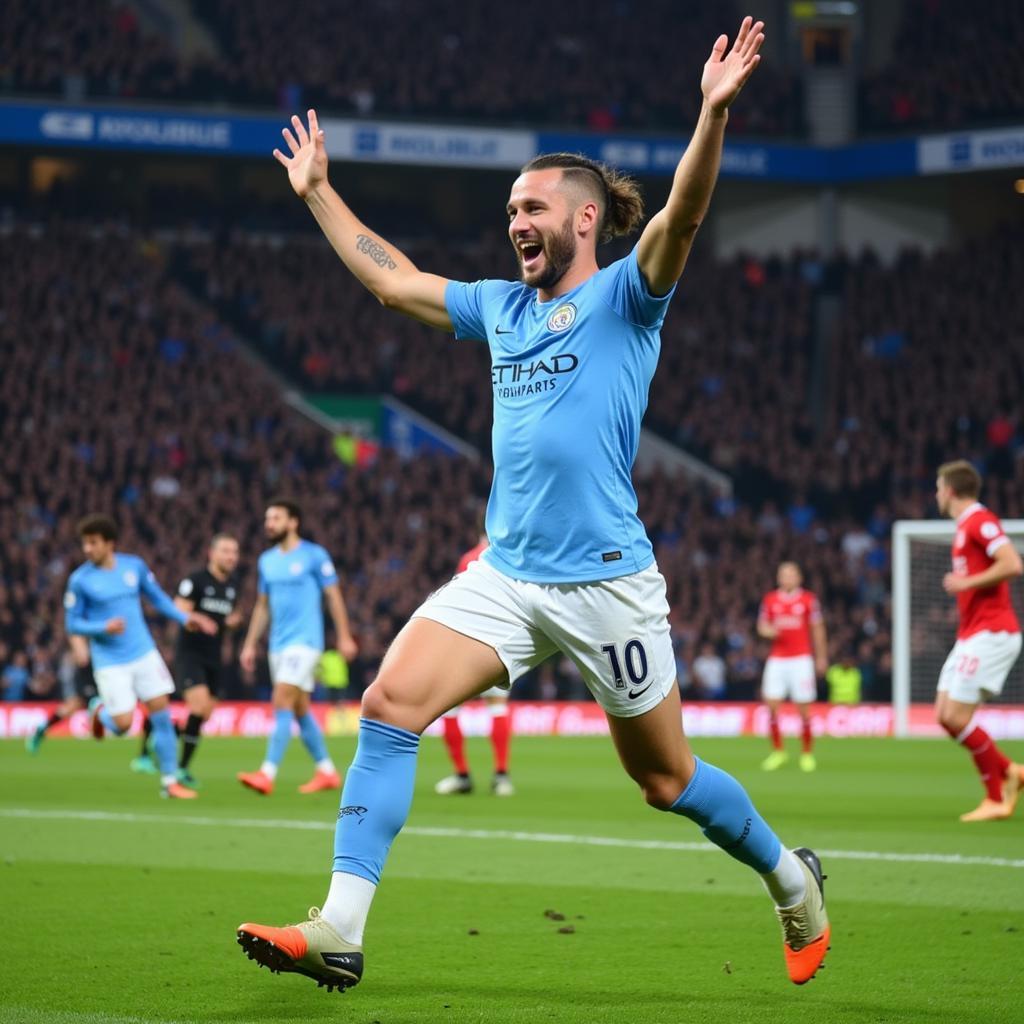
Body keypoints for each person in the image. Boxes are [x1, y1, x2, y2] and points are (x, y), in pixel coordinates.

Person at [237, 17, 830, 992]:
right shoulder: (501, 308)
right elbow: (393, 283)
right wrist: (319, 193)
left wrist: (710, 116)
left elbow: (681, 215)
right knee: (387, 706)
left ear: (584, 220)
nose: (515, 221)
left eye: (532, 208)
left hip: (607, 587)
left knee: (665, 781)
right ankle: (340, 925)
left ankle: (789, 882)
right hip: (505, 574)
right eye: (509, 208)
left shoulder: (628, 298)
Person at [63, 514, 216, 798]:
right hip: (110, 661)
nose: (87, 549)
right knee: (123, 726)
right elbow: (72, 623)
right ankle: (99, 711)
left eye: (93, 543)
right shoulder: (80, 580)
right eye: (84, 543)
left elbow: (157, 598)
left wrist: (184, 618)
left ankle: (169, 782)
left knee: (161, 713)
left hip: (144, 652)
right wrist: (101, 627)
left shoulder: (134, 567)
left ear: (109, 543)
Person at [237, 499, 358, 796]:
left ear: (293, 522)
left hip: (305, 643)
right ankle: (327, 771)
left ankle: (267, 773)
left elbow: (333, 596)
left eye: (276, 517)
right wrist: (250, 643)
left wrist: (344, 635)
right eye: (268, 518)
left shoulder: (314, 555)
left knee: (281, 700)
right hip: (277, 645)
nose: (269, 523)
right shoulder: (266, 560)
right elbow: (262, 605)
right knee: (300, 707)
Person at [933, 460, 1024, 822]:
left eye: (938, 487)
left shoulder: (979, 520)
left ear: (951, 490)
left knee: (957, 715)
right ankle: (1012, 773)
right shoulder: (963, 527)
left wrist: (966, 583)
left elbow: (1012, 563)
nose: (936, 494)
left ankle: (994, 797)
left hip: (993, 632)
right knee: (944, 714)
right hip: (971, 633)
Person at [133, 534, 244, 784]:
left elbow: (225, 619)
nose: (230, 557)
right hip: (190, 654)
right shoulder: (195, 580)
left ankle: (163, 734)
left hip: (214, 656)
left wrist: (231, 623)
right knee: (197, 707)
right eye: (225, 551)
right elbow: (179, 608)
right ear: (211, 553)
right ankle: (180, 769)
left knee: (202, 715)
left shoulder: (233, 585)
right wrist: (199, 620)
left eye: (234, 552)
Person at [434, 532, 514, 797]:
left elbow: (459, 602)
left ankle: (462, 775)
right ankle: (501, 776)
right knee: (497, 707)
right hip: (501, 643)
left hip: (468, 641)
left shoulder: (470, 559)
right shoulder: (512, 555)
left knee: (451, 708)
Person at [757, 562, 828, 772]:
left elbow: (818, 629)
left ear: (799, 578)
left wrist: (821, 657)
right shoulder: (770, 600)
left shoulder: (808, 600)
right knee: (771, 706)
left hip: (801, 659)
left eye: (791, 574)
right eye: (783, 574)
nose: (787, 578)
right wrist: (767, 631)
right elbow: (762, 625)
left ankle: (806, 754)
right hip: (777, 659)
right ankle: (779, 752)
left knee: (804, 709)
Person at [25, 634, 97, 754]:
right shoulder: (84, 643)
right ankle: (41, 730)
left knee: (84, 705)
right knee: (72, 707)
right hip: (87, 680)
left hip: (99, 679)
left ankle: (96, 726)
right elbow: (80, 658)